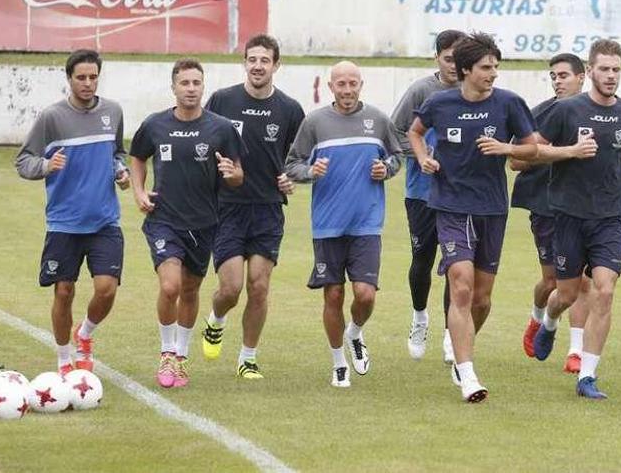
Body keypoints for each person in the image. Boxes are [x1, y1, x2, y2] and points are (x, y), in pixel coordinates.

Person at [496, 39, 621, 399]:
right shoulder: (566, 111)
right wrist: (571, 152)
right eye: (604, 69)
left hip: (611, 215)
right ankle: (549, 321)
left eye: (616, 69)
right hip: (567, 214)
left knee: (604, 290)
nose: (611, 76)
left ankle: (587, 375)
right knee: (564, 293)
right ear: (591, 71)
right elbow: (531, 151)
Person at [409, 33, 539, 403]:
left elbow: (532, 148)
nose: (493, 73)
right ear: (466, 70)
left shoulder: (510, 103)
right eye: (486, 67)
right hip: (450, 204)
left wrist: (507, 148)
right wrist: (423, 158)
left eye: (496, 66)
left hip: (492, 208)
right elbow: (415, 133)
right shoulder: (439, 103)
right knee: (461, 283)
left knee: (480, 299)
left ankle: (459, 342)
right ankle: (468, 375)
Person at [285, 61, 403, 388]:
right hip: (327, 225)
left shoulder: (378, 120)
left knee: (364, 295)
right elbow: (292, 164)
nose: (347, 90)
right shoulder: (314, 123)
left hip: (367, 223)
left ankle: (355, 332)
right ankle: (338, 362)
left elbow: (397, 156)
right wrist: (311, 172)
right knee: (333, 294)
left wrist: (386, 169)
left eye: (353, 83)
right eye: (341, 84)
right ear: (330, 86)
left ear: (361, 84)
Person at [129, 58, 244, 389]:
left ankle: (181, 357)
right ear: (174, 87)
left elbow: (238, 175)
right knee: (170, 286)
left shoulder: (221, 128)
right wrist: (139, 191)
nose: (191, 89)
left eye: (196, 83)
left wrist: (232, 174)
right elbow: (137, 156)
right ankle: (166, 352)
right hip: (164, 219)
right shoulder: (155, 125)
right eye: (185, 83)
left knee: (191, 288)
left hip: (205, 222)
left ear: (202, 87)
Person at [16, 49, 128, 376]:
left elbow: (117, 153)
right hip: (64, 223)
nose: (88, 83)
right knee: (63, 291)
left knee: (106, 288)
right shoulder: (51, 117)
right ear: (69, 79)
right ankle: (65, 360)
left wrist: (119, 171)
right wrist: (46, 166)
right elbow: (24, 160)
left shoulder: (113, 111)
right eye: (81, 77)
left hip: (105, 220)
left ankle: (85, 335)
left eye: (93, 77)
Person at [199, 34, 305, 380]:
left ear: (277, 65)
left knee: (259, 286)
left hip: (268, 209)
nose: (258, 66)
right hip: (227, 208)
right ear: (244, 62)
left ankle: (248, 358)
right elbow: (205, 143)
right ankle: (215, 320)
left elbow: (297, 159)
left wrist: (291, 177)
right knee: (230, 289)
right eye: (252, 59)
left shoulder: (290, 110)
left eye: (265, 60)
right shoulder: (222, 101)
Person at [511, 53, 595, 374]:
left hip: (585, 209)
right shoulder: (540, 114)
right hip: (546, 207)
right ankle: (538, 318)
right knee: (551, 282)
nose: (558, 81)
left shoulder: (600, 113)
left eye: (564, 75)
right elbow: (516, 161)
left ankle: (575, 352)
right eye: (554, 77)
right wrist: (561, 153)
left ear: (581, 76)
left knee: (582, 282)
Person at [390, 29, 465, 363]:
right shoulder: (422, 90)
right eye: (448, 58)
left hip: (462, 196)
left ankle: (452, 332)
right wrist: (420, 154)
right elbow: (394, 130)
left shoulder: (473, 91)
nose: (454, 65)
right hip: (421, 193)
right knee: (422, 258)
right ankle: (420, 317)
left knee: (457, 264)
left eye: (459, 59)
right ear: (437, 57)